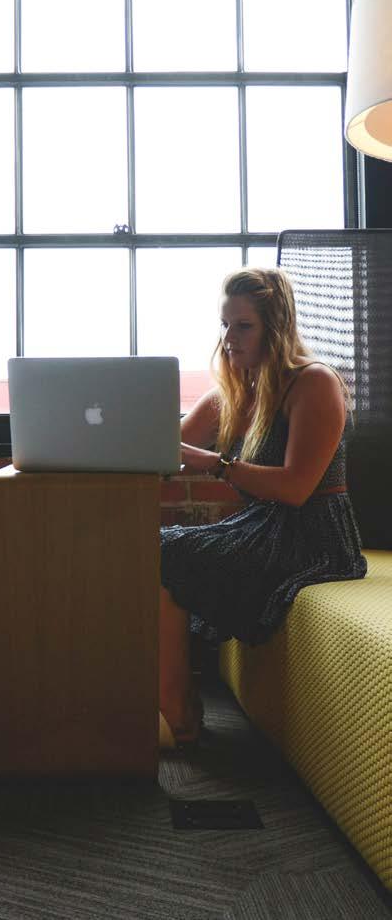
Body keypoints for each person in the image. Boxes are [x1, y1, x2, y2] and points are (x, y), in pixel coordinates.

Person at [158, 267, 367, 749]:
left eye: (242, 326)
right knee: (158, 548)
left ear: (276, 327)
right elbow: (164, 449)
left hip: (315, 534)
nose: (228, 338)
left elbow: (296, 489)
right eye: (224, 325)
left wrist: (217, 465)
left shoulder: (313, 383)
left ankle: (178, 712)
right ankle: (175, 703)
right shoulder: (233, 392)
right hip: (263, 526)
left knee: (167, 554)